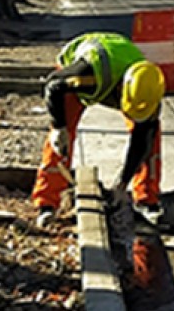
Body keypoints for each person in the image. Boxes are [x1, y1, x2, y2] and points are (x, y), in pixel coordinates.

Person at [32, 31, 166, 228]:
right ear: (121, 90)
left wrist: (122, 184)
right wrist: (59, 127)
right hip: (81, 73)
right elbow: (54, 85)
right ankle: (47, 203)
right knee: (61, 140)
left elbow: (141, 141)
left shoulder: (147, 91)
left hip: (120, 65)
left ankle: (147, 200)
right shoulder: (87, 74)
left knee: (151, 138)